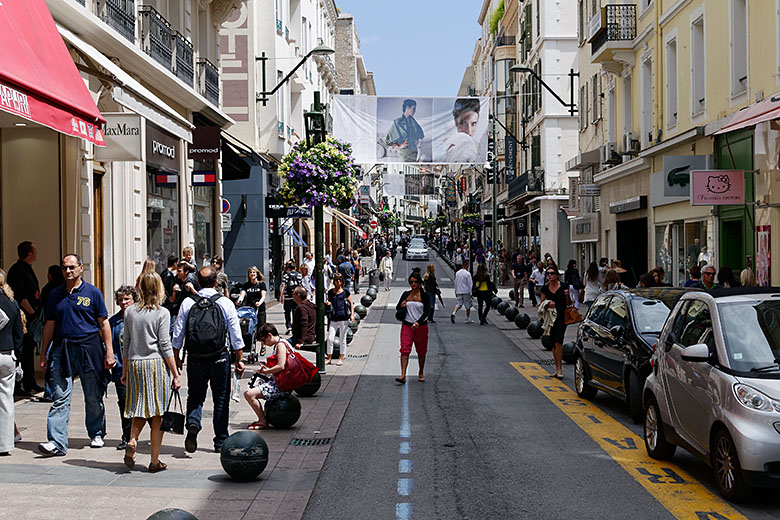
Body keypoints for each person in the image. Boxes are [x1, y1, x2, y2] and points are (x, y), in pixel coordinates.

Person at [38, 254, 115, 456]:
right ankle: (56, 442)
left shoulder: (93, 293)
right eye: (64, 268)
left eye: (72, 267)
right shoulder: (55, 294)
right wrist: (44, 353)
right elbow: (50, 325)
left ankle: (97, 432)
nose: (68, 271)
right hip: (61, 349)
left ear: (81, 268)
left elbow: (103, 323)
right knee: (59, 396)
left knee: (92, 394)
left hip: (89, 349)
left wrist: (109, 351)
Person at [172, 266, 244, 453]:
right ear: (215, 283)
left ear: (198, 283)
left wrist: (177, 358)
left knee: (195, 395)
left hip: (196, 357)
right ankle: (220, 440)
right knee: (221, 397)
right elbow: (235, 333)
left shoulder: (188, 302)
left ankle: (193, 424)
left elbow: (178, 333)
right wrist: (239, 358)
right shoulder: (225, 303)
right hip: (220, 357)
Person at [121, 272, 180, 472]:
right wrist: (175, 373)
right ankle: (154, 461)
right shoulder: (162, 312)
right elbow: (164, 344)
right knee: (157, 413)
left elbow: (126, 343)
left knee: (140, 407)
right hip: (155, 364)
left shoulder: (129, 312)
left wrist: (125, 368)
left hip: (135, 364)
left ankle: (133, 440)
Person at [243, 323, 293, 430]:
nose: (264, 343)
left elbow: (281, 366)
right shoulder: (283, 343)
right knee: (254, 385)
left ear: (269, 335)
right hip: (282, 382)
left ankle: (262, 420)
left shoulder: (280, 345)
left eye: (263, 340)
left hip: (282, 386)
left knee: (248, 394)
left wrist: (266, 371)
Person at [8, 241, 42, 396]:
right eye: (34, 250)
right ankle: (18, 384)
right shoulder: (17, 270)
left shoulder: (27, 269)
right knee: (20, 350)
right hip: (23, 318)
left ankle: (29, 381)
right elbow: (21, 296)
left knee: (29, 350)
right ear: (29, 253)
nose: (36, 253)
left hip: (29, 316)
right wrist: (32, 313)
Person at [108, 285, 137, 450]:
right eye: (120, 300)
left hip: (139, 368)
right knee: (124, 403)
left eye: (127, 299)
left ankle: (137, 435)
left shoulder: (139, 318)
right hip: (121, 370)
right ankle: (127, 437)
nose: (123, 302)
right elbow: (110, 344)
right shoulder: (114, 322)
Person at [0, 269, 24, 455]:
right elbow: (19, 335)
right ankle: (6, 445)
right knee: (6, 402)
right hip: (8, 355)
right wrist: (18, 360)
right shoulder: (12, 302)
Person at [395, 273, 431, 384]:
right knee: (404, 349)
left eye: (415, 282)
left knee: (421, 351)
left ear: (419, 283)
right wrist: (401, 305)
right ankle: (403, 375)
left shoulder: (424, 296)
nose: (413, 284)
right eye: (411, 282)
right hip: (407, 325)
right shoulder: (406, 294)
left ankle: (420, 372)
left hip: (421, 327)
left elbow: (427, 311)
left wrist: (418, 322)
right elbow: (397, 307)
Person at [540, 264, 569, 379]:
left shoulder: (564, 286)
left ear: (557, 275)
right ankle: (556, 368)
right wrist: (547, 304)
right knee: (553, 343)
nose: (550, 275)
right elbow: (541, 304)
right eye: (548, 274)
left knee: (558, 341)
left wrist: (567, 296)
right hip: (550, 318)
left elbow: (569, 303)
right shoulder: (545, 289)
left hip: (562, 316)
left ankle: (560, 369)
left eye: (552, 273)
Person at [384, 98, 425, 163]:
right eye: (413, 109)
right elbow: (387, 140)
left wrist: (417, 139)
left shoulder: (413, 121)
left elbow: (420, 134)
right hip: (405, 153)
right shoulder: (398, 122)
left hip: (414, 152)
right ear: (407, 107)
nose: (415, 111)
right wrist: (399, 146)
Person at [325, 274, 354, 366]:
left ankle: (341, 358)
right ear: (334, 281)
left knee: (342, 339)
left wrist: (352, 315)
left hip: (343, 317)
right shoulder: (330, 292)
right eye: (336, 280)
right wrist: (328, 303)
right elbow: (327, 302)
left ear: (342, 281)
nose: (338, 281)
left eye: (340, 280)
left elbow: (351, 304)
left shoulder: (345, 292)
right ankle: (329, 357)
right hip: (333, 318)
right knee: (330, 338)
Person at [443, 98, 481, 163]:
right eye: (463, 123)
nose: (469, 130)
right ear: (455, 122)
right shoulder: (446, 147)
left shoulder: (481, 149)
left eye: (473, 124)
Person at [280, 262, 303, 334]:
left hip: (287, 296)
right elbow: (300, 285)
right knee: (295, 311)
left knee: (287, 312)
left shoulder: (286, 275)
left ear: (288, 268)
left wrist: (281, 295)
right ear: (295, 268)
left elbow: (283, 285)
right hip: (296, 296)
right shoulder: (299, 275)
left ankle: (288, 325)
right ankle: (295, 326)